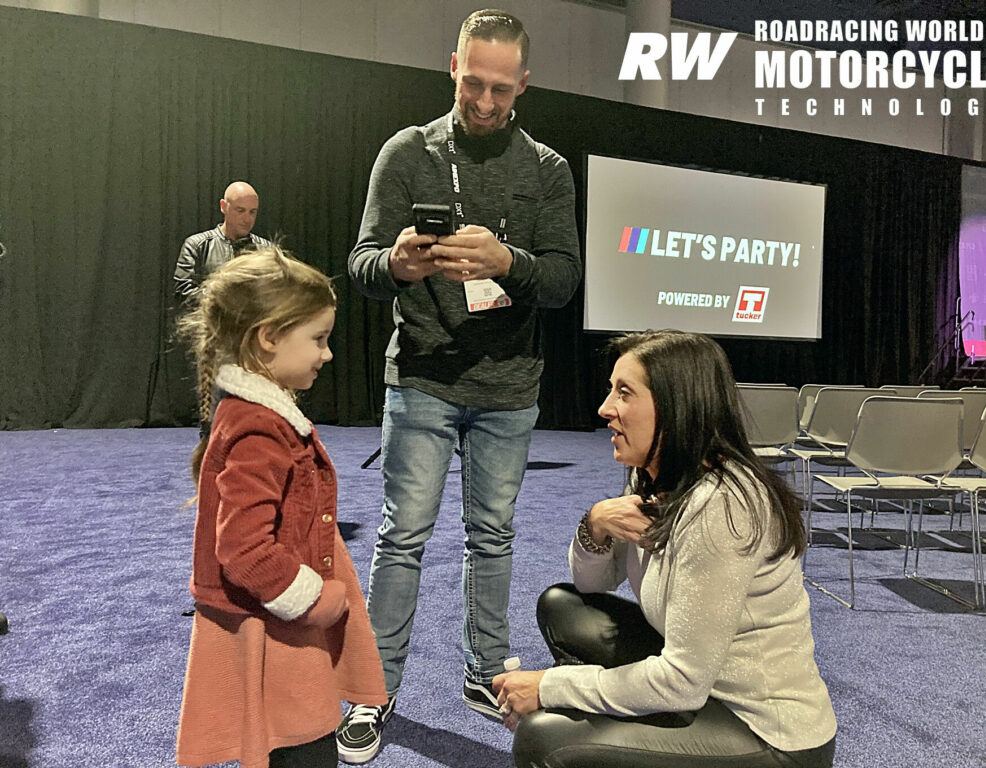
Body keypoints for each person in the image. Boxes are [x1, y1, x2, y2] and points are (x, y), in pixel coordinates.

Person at [339, 7, 581, 763]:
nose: (484, 100)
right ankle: (371, 692)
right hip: (422, 377)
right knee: (402, 537)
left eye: (501, 88)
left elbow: (565, 281)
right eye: (473, 82)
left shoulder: (547, 169)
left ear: (524, 84)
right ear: (453, 67)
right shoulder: (406, 153)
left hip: (509, 387)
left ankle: (485, 674)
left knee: (493, 538)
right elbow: (361, 263)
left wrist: (506, 261)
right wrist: (399, 266)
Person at [493, 330, 837, 768]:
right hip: (706, 689)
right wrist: (595, 522)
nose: (605, 408)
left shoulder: (721, 505)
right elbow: (592, 583)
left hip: (768, 734)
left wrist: (550, 687)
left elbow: (682, 682)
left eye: (624, 393)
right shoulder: (659, 476)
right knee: (563, 606)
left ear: (676, 406)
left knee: (547, 740)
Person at [175, 247, 386, 768]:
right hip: (276, 619)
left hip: (275, 614)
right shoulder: (260, 426)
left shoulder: (255, 411)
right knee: (304, 745)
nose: (328, 354)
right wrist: (314, 600)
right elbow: (244, 548)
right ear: (268, 337)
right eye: (318, 339)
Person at [174, 181, 271, 300]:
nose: (247, 219)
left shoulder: (267, 251)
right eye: (240, 210)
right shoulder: (198, 245)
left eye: (252, 212)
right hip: (211, 317)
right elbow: (183, 293)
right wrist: (225, 297)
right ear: (224, 206)